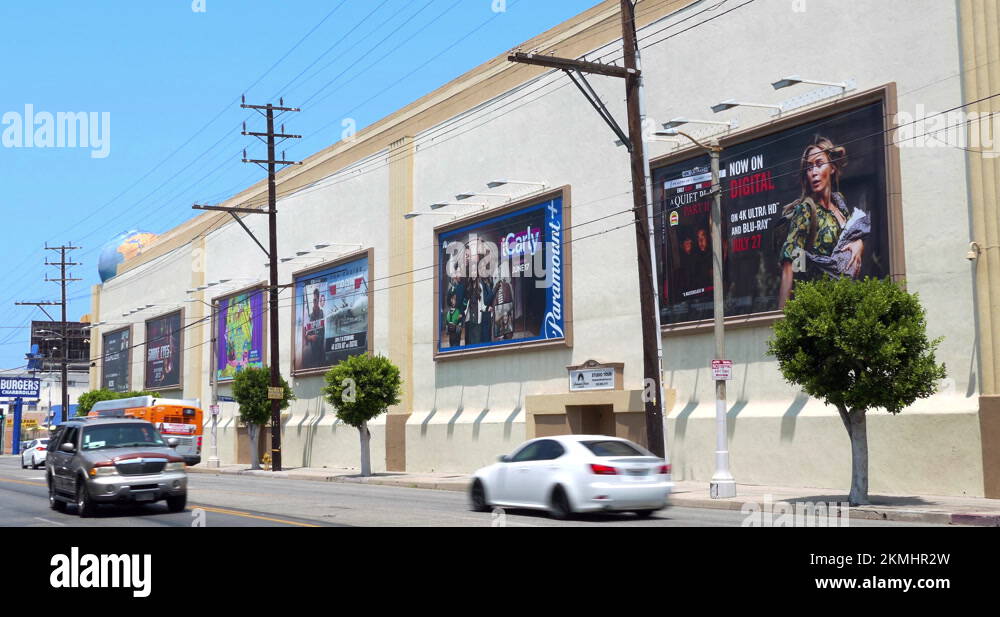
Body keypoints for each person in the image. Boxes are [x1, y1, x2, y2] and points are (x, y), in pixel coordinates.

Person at [778, 135, 868, 309]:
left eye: (819, 164)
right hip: (819, 306)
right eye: (809, 168)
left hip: (845, 300)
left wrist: (859, 244)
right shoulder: (806, 210)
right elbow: (791, 264)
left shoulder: (839, 204)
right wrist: (781, 317)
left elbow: (851, 235)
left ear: (832, 168)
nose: (813, 172)